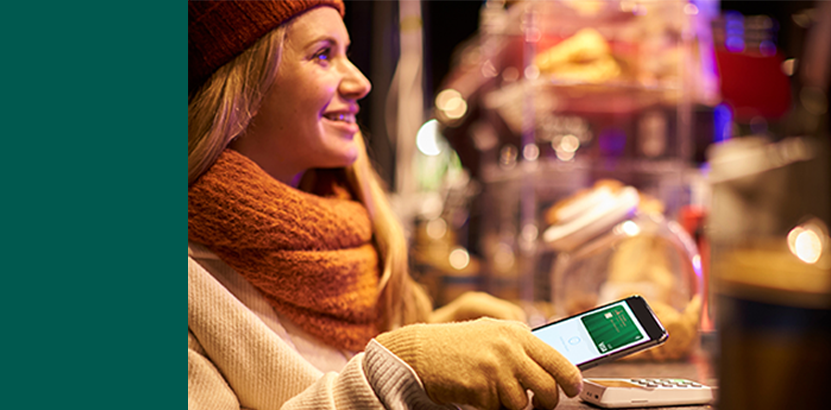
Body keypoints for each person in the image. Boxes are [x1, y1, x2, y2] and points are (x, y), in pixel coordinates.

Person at [188, 1, 582, 409]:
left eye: (347, 52)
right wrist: (405, 366)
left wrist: (434, 332)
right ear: (242, 85)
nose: (360, 81)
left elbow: (332, 370)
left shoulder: (357, 237)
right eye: (323, 54)